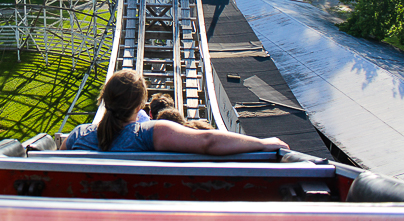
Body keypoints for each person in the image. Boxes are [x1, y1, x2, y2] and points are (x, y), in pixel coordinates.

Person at [61, 69, 288, 154]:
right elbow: (208, 141)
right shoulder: (150, 133)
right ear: (141, 106)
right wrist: (261, 143)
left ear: (103, 100)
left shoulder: (77, 135)